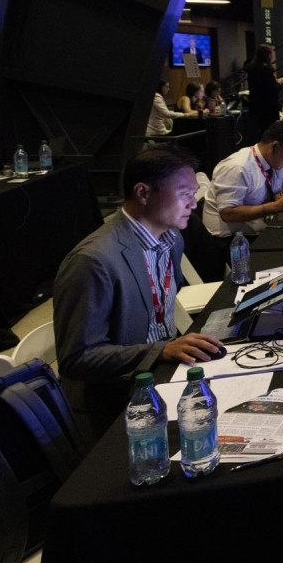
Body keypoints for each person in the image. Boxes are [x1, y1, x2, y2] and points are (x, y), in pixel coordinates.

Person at [53, 146, 225, 433]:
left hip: (162, 374)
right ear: (143, 193)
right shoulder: (93, 261)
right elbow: (77, 358)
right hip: (116, 401)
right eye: (184, 194)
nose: (193, 204)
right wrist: (160, 351)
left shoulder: (172, 238)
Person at [203, 121, 283, 238]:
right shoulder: (237, 167)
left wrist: (281, 194)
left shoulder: (277, 162)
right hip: (229, 240)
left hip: (256, 228)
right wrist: (274, 206)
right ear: (275, 146)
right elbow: (228, 214)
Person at [244, 44, 282, 137]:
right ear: (268, 55)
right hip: (268, 108)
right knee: (270, 133)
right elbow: (271, 89)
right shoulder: (267, 69)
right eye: (272, 54)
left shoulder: (251, 68)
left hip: (256, 106)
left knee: (259, 133)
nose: (273, 56)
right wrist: (279, 83)